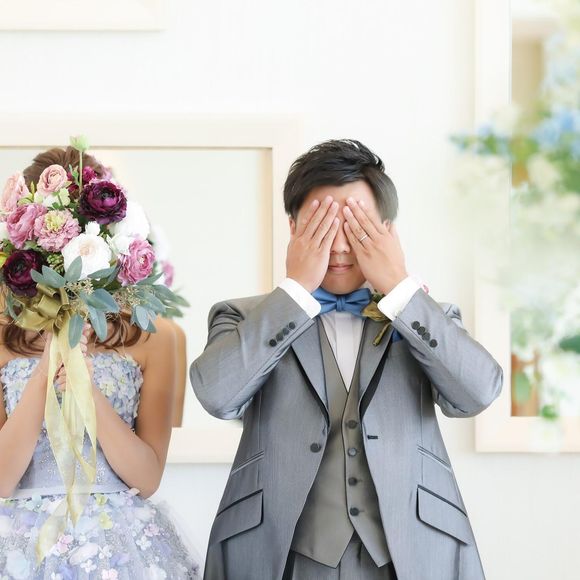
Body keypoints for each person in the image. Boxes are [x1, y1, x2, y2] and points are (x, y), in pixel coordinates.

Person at [191, 139, 503, 580]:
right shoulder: (242, 317)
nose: (338, 245)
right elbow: (216, 395)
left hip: (411, 552)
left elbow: (478, 392)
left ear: (387, 230)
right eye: (321, 226)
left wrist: (400, 290)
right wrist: (295, 291)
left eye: (356, 226)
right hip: (283, 555)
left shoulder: (427, 317)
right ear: (292, 227)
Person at [0, 148, 200, 579]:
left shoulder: (156, 337)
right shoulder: (2, 337)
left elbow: (147, 479)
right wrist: (47, 370)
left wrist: (86, 389)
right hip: (18, 545)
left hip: (120, 548)